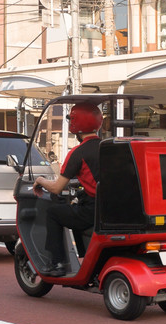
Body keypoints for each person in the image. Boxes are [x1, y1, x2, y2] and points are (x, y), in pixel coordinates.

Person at [33, 102, 102, 277]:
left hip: (92, 210)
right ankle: (86, 258)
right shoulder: (109, 147)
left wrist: (40, 180)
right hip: (111, 209)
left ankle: (58, 263)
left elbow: (56, 188)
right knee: (74, 212)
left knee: (54, 212)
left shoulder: (78, 153)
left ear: (76, 124)